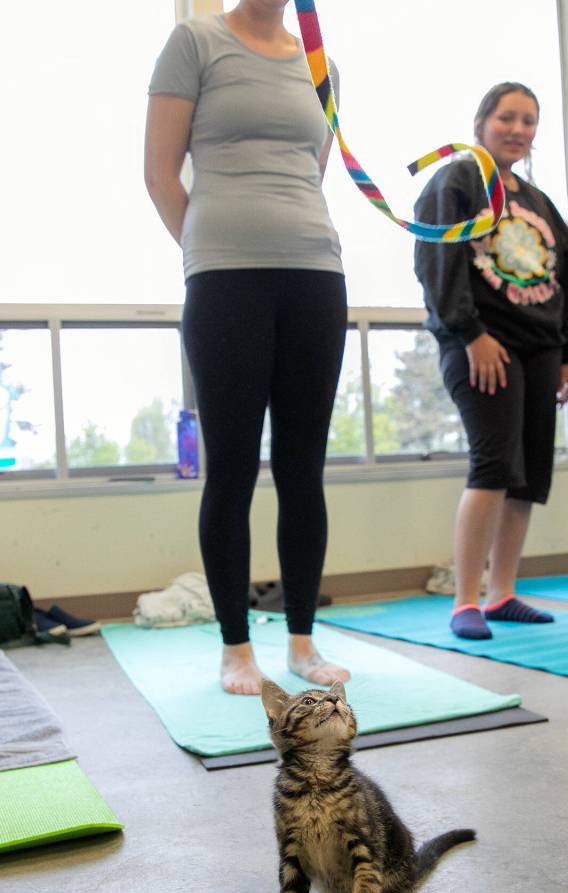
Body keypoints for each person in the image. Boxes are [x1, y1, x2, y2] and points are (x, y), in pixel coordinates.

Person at [144, 0, 350, 694]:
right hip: (225, 277)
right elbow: (159, 174)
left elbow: (309, 173)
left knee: (303, 468)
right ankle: (235, 647)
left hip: (315, 272)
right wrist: (211, 250)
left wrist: (280, 239)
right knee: (230, 468)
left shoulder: (320, 65)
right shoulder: (193, 42)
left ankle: (300, 641)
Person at [414, 82, 568, 639]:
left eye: (529, 121)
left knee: (528, 475)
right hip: (484, 345)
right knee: (493, 464)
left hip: (541, 349)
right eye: (507, 118)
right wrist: (469, 333)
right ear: (482, 123)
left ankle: (503, 592)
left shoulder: (537, 202)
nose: (518, 130)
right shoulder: (459, 180)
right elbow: (437, 256)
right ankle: (465, 599)